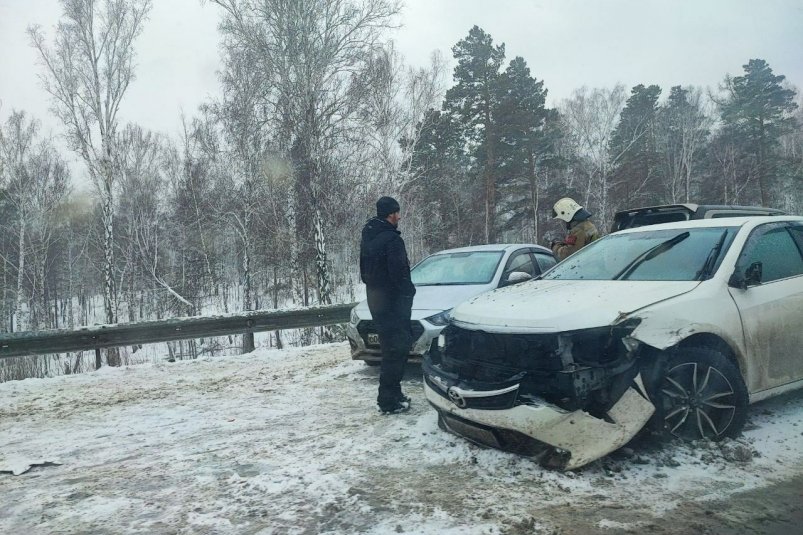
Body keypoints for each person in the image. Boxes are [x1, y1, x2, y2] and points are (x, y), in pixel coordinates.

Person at [359, 196, 417, 415]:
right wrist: (408, 294)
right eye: (397, 212)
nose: (399, 216)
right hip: (394, 303)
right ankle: (388, 401)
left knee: (388, 350)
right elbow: (400, 274)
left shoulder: (368, 238)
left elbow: (364, 273)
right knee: (398, 351)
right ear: (391, 214)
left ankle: (394, 394)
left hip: (376, 300)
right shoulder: (392, 240)